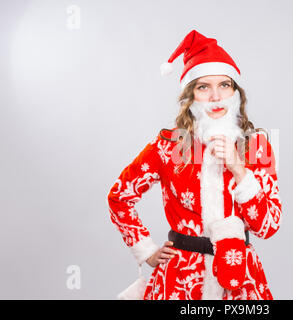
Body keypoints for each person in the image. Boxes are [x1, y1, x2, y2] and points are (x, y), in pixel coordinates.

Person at [107, 29, 282, 300]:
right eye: (203, 87)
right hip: (182, 280)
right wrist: (146, 251)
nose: (215, 97)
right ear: (191, 95)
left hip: (239, 281)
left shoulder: (256, 146)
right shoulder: (169, 146)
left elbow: (268, 226)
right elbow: (119, 198)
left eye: (224, 85)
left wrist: (238, 168)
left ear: (236, 92)